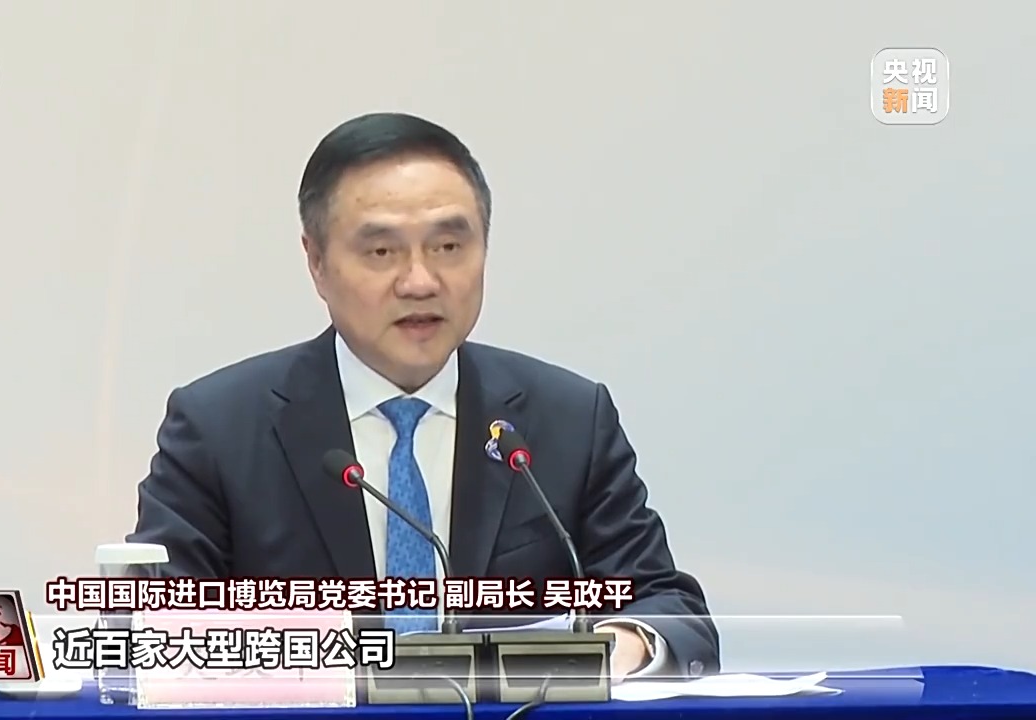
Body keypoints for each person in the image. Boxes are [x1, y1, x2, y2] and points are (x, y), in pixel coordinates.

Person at [128, 112, 719, 678]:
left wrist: (618, 647)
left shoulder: (567, 419)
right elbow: (149, 629)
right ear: (317, 263)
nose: (420, 281)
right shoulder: (220, 428)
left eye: (448, 247)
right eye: (382, 252)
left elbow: (669, 609)